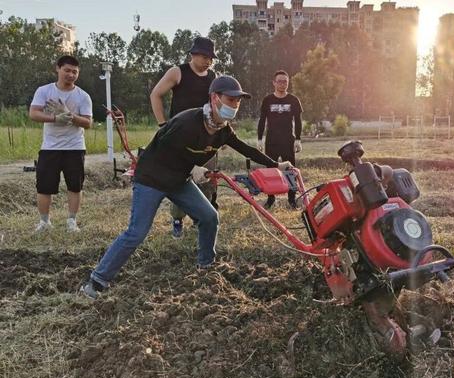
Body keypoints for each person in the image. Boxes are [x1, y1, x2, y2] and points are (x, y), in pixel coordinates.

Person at [80, 75, 293, 299]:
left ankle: (206, 268)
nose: (234, 105)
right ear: (214, 98)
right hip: (152, 177)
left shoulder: (223, 130)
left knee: (209, 217)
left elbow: (245, 149)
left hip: (178, 180)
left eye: (237, 102)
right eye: (230, 100)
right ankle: (97, 281)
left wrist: (276, 164)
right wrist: (192, 167)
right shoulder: (187, 121)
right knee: (136, 232)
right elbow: (163, 146)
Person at [150, 36, 219, 239]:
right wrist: (163, 125)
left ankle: (201, 219)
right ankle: (178, 219)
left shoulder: (213, 77)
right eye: (204, 56)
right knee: (179, 181)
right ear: (193, 54)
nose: (208, 61)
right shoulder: (177, 72)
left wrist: (220, 134)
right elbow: (156, 94)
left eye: (210, 57)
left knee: (206, 179)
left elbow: (215, 106)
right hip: (179, 138)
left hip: (206, 137)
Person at [28, 55, 93, 233]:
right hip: (50, 147)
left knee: (75, 185)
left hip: (75, 147)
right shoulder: (44, 91)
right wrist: (55, 118)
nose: (70, 75)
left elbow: (88, 123)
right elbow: (33, 113)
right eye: (67, 70)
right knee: (44, 186)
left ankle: (72, 221)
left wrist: (70, 115)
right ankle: (44, 222)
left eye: (74, 72)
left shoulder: (83, 96)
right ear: (58, 68)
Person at [257, 70, 303, 209]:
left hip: (288, 140)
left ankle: (292, 199)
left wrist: (298, 139)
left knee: (290, 170)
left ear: (288, 83)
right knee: (271, 170)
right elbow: (262, 120)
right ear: (274, 83)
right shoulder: (268, 100)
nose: (282, 84)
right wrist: (259, 139)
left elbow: (298, 121)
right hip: (271, 141)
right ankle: (271, 199)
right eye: (280, 81)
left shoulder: (293, 100)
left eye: (285, 81)